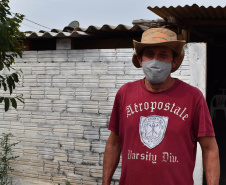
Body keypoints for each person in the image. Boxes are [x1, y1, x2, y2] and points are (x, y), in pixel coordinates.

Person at [102, 28, 220, 185]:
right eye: (149, 54)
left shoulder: (193, 97)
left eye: (163, 55)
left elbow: (209, 149)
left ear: (174, 61)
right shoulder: (125, 94)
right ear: (140, 60)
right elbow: (113, 143)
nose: (155, 61)